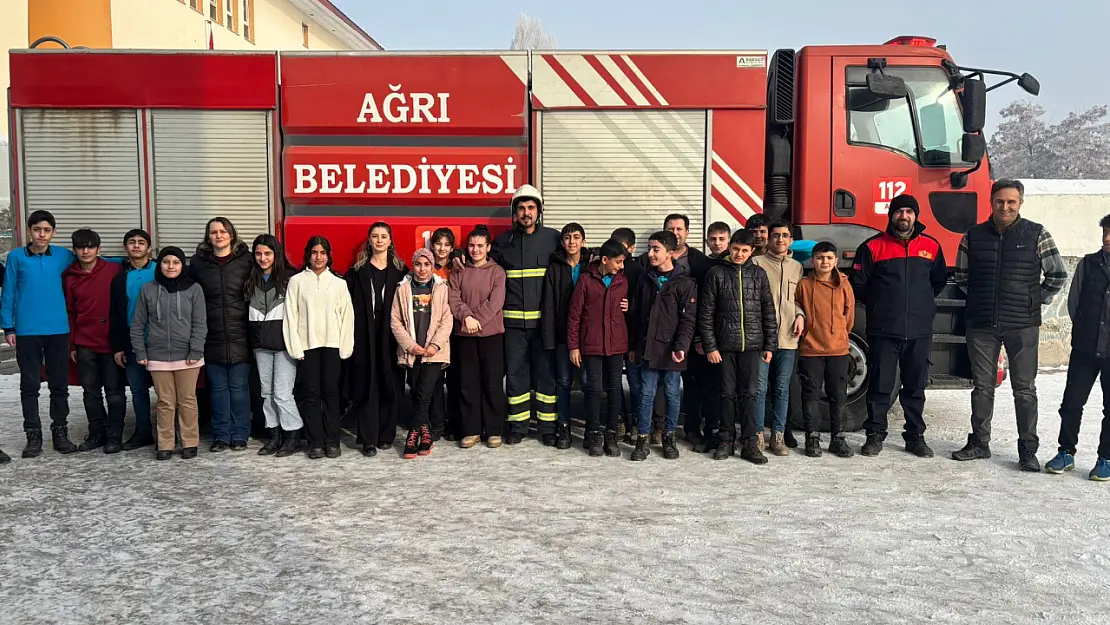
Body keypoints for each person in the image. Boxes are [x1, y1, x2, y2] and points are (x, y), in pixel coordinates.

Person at [952, 179, 1068, 471]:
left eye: (1011, 202)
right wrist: (981, 299)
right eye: (1000, 201)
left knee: (1024, 389)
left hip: (1022, 325)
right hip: (981, 324)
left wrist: (1033, 300)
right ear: (991, 202)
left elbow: (1057, 274)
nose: (1005, 207)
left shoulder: (1037, 234)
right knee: (982, 387)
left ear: (1020, 203)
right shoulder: (973, 236)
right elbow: (962, 277)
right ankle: (980, 443)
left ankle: (1028, 451)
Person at [850, 194, 947, 458]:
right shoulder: (872, 247)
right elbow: (859, 284)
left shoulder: (931, 246)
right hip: (883, 328)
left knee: (915, 387)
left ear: (916, 216)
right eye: (899, 211)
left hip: (919, 330)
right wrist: (882, 304)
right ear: (891, 215)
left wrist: (919, 305)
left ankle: (915, 436)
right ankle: (875, 434)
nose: (903, 216)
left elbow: (937, 282)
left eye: (908, 212)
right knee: (880, 384)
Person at [1, 210, 79, 458]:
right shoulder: (16, 258)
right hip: (27, 331)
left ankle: (60, 432)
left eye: (47, 230)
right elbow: (8, 292)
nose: (41, 234)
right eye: (37, 229)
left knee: (59, 385)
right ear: (29, 231)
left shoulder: (63, 256)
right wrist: (8, 327)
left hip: (58, 330)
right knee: (30, 385)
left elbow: (92, 261)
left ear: (53, 232)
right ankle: (33, 435)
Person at [698, 229, 776, 463]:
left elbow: (768, 311)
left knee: (750, 394)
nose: (739, 254)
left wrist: (770, 344)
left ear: (752, 251)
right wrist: (710, 346)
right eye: (735, 249)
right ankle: (726, 440)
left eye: (744, 251)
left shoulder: (759, 274)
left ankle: (750, 443)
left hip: (752, 345)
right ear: (729, 247)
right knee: (726, 394)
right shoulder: (716, 274)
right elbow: (706, 313)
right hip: (725, 346)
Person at [492, 185, 561, 445]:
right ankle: (518, 426)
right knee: (516, 375)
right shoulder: (502, 242)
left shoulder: (554, 239)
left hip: (544, 325)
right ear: (514, 213)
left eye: (531, 208)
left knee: (546, 376)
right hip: (512, 326)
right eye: (521, 208)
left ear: (539, 211)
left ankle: (547, 428)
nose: (526, 213)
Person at [1045, 213, 1110, 480]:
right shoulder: (1088, 264)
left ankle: (1105, 458)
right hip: (1085, 348)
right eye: (1105, 233)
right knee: (1071, 403)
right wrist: (1085, 329)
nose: (1107, 239)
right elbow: (1074, 303)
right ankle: (1066, 452)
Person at [131, 247, 207, 461]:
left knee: (187, 400)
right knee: (165, 401)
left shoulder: (194, 289)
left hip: (188, 356)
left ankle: (189, 442)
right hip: (158, 355)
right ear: (159, 264)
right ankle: (164, 443)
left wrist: (196, 349)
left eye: (176, 262)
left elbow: (200, 323)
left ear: (183, 265)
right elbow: (138, 324)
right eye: (166, 262)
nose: (171, 266)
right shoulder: (148, 290)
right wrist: (141, 351)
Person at [629, 231, 697, 461]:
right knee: (646, 393)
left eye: (656, 249)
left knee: (671, 393)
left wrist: (681, 347)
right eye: (649, 248)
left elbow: (688, 320)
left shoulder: (684, 283)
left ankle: (669, 436)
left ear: (670, 253)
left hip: (672, 351)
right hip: (649, 348)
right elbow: (637, 315)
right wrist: (635, 346)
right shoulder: (645, 279)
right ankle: (643, 438)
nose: (650, 254)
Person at [285, 236, 355, 460]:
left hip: (332, 346)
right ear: (308, 254)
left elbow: (347, 317)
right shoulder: (297, 282)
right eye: (314, 252)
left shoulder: (338, 283)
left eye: (323, 253)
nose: (318, 257)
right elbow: (291, 316)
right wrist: (296, 348)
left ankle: (332, 441)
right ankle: (315, 442)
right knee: (311, 394)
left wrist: (345, 348)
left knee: (331, 394)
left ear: (328, 256)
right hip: (308, 347)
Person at [190, 217, 254, 452]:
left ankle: (239, 435)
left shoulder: (246, 261)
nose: (218, 236)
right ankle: (221, 436)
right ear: (208, 237)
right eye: (214, 232)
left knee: (238, 389)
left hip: (240, 335)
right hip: (211, 335)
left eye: (223, 231)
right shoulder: (198, 264)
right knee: (216, 390)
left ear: (232, 235)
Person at [347, 222, 409, 456]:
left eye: (384, 236)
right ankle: (368, 438)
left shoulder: (401, 272)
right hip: (365, 334)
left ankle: (386, 435)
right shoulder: (357, 271)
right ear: (369, 240)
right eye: (375, 236)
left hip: (391, 334)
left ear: (390, 241)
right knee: (367, 384)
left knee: (390, 383)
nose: (380, 240)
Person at [63, 228, 125, 454]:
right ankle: (97, 433)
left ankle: (115, 435)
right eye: (81, 247)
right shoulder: (69, 276)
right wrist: (72, 344)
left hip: (110, 343)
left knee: (114, 391)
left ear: (99, 249)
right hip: (84, 343)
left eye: (90, 246)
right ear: (75, 250)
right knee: (90, 392)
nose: (85, 251)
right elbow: (69, 312)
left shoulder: (114, 270)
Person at [567, 238, 629, 458]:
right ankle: (593, 432)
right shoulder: (585, 281)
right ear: (604, 260)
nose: (621, 266)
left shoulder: (623, 282)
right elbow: (574, 316)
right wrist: (574, 346)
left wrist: (628, 307)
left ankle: (610, 434)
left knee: (614, 390)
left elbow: (629, 310)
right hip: (591, 346)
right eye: (618, 262)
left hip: (616, 345)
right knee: (593, 390)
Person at [795, 241, 855, 458]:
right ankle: (812, 438)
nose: (824, 262)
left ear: (836, 261)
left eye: (829, 258)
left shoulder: (844, 285)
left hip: (838, 350)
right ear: (812, 260)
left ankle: (838, 439)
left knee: (838, 395)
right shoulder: (803, 285)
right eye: (820, 258)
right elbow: (796, 307)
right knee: (810, 395)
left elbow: (849, 317)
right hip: (811, 349)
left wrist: (839, 336)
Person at [244, 234, 303, 457]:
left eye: (267, 253)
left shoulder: (290, 279)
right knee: (266, 392)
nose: (262, 258)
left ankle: (293, 436)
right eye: (258, 253)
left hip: (284, 344)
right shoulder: (251, 278)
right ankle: (274, 435)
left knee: (282, 393)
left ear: (276, 254)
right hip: (261, 344)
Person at [391, 248, 453, 459]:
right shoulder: (403, 288)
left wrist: (434, 345)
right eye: (418, 264)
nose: (422, 269)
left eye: (427, 264)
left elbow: (447, 319)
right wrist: (410, 345)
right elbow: (396, 321)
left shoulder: (441, 288)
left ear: (432, 266)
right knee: (418, 393)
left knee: (424, 394)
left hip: (434, 352)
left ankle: (412, 435)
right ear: (413, 265)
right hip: (412, 352)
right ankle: (425, 436)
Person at [449, 227, 507, 449]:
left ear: (488, 248)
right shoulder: (458, 271)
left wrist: (477, 319)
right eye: (472, 245)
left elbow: (496, 301)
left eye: (480, 246)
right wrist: (466, 318)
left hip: (491, 335)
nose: (475, 249)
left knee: (491, 383)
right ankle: (471, 430)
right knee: (468, 384)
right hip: (464, 335)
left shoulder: (497, 272)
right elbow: (453, 298)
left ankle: (493, 430)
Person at [753, 220, 805, 456]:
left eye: (785, 235)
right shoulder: (757, 263)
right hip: (763, 338)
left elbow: (796, 300)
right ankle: (756, 435)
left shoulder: (797, 267)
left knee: (782, 388)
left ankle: (778, 436)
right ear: (769, 239)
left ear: (791, 240)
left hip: (788, 339)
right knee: (760, 387)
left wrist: (801, 315)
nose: (780, 239)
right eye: (776, 235)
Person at [109, 229, 158, 450]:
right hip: (133, 342)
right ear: (125, 248)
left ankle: (170, 433)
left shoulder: (162, 270)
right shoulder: (119, 278)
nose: (136, 246)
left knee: (166, 391)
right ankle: (143, 431)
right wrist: (118, 346)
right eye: (131, 242)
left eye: (141, 243)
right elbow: (116, 313)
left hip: (161, 342)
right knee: (138, 389)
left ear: (149, 248)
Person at [541, 222, 587, 449]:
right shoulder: (555, 268)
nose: (571, 242)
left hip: (588, 337)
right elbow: (548, 306)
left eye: (576, 237)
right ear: (562, 242)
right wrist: (549, 339)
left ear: (583, 242)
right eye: (567, 237)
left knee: (589, 383)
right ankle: (565, 428)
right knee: (564, 382)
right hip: (561, 335)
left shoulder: (592, 266)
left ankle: (591, 430)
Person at [687, 222, 730, 451]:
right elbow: (698, 307)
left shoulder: (736, 265)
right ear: (706, 241)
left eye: (721, 239)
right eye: (712, 239)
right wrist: (699, 339)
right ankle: (711, 433)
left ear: (729, 240)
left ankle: (727, 435)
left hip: (731, 339)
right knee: (708, 389)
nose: (717, 243)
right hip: (708, 339)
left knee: (728, 389)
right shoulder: (702, 266)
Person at [610, 227, 647, 439]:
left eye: (622, 247)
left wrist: (630, 306)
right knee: (614, 381)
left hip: (632, 336)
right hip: (612, 336)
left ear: (632, 248)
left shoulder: (639, 272)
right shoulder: (606, 267)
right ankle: (620, 419)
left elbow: (643, 306)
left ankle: (637, 421)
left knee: (635, 382)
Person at [427, 227, 455, 439]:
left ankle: (454, 423)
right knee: (434, 381)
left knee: (456, 380)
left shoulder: (458, 269)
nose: (442, 248)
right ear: (432, 245)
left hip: (456, 332)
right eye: (438, 243)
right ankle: (436, 425)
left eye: (446, 244)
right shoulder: (426, 270)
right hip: (433, 334)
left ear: (452, 247)